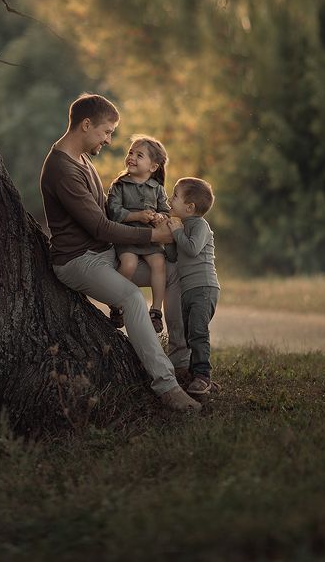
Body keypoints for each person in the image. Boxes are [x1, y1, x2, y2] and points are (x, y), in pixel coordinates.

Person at [40, 93, 200, 411]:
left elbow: (108, 218)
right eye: (106, 131)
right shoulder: (62, 169)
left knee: (174, 274)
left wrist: (150, 217)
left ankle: (182, 361)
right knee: (130, 297)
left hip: (105, 253)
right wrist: (153, 233)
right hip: (77, 260)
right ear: (86, 125)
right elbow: (101, 227)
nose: (109, 140)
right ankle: (166, 387)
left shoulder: (82, 159)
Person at [106, 136, 171, 333]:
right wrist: (137, 215)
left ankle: (155, 311)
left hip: (151, 238)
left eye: (139, 155)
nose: (131, 157)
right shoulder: (119, 185)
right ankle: (115, 302)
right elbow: (114, 212)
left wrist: (159, 217)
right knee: (129, 264)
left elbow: (166, 210)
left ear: (153, 166)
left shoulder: (157, 188)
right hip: (127, 237)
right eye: (130, 153)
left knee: (159, 264)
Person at [166, 177, 221, 395]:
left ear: (189, 207)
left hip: (204, 287)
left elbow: (192, 249)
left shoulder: (200, 225)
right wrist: (167, 234)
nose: (171, 199)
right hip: (188, 290)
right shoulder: (183, 225)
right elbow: (173, 255)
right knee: (190, 334)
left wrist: (177, 231)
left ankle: (202, 376)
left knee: (198, 332)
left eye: (175, 196)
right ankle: (195, 376)